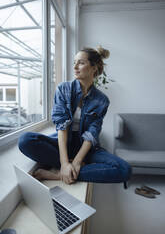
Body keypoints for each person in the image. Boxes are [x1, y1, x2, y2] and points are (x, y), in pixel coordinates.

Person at [18, 46, 131, 185]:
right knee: (25, 140)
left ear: (94, 67)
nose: (75, 67)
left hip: (86, 149)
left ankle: (58, 175)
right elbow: (61, 126)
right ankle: (68, 168)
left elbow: (92, 133)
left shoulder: (102, 100)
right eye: (75, 62)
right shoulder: (64, 89)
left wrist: (77, 161)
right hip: (63, 144)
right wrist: (65, 163)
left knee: (124, 170)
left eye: (81, 63)